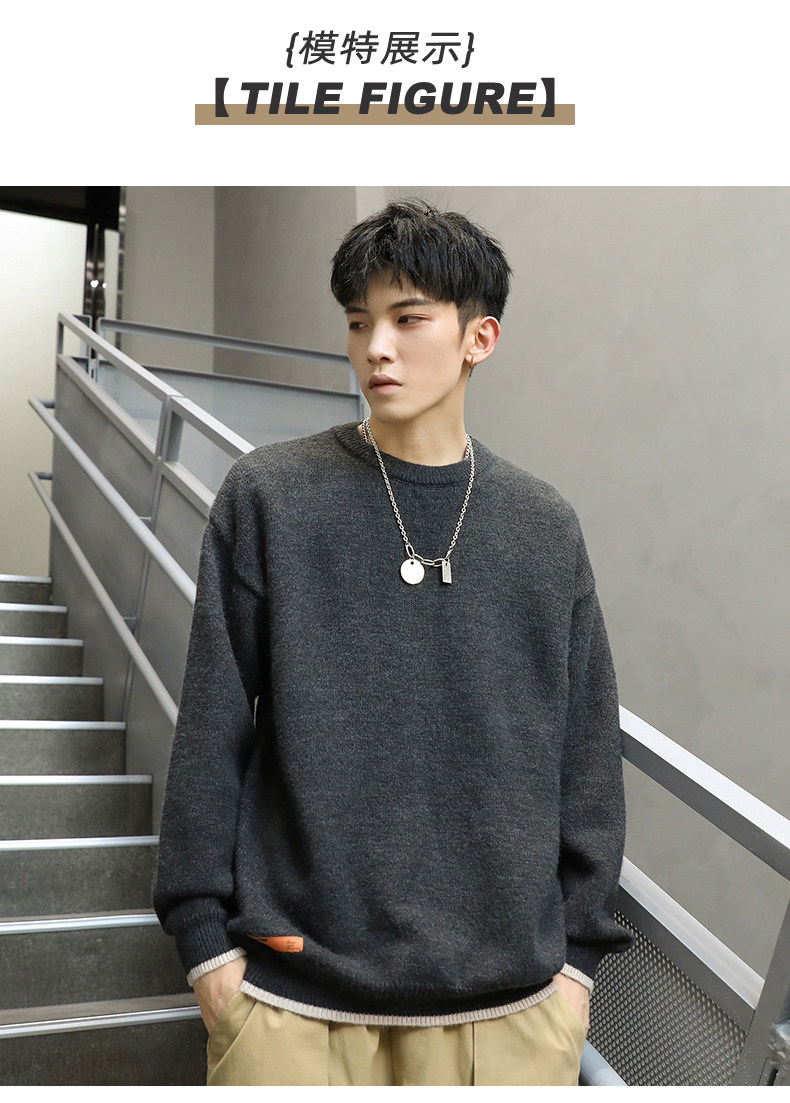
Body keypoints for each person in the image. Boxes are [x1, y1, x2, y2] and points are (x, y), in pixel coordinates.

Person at [153, 198, 633, 1086]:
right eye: (358, 321)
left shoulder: (543, 527)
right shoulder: (271, 498)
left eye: (408, 319)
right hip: (291, 1004)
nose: (376, 346)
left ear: (479, 338)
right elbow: (212, 728)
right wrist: (205, 946)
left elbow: (587, 755)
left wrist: (576, 966)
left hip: (511, 1014)